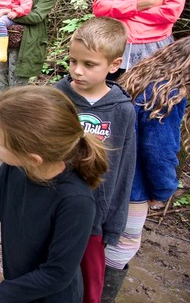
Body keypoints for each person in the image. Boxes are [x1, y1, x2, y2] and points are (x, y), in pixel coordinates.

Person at [0, 86, 108, 303]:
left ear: (33, 158)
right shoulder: (15, 166)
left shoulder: (76, 201)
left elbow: (57, 274)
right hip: (19, 283)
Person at [101, 37, 190, 302]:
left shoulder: (136, 76)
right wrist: (164, 189)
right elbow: (159, 149)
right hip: (134, 186)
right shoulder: (169, 93)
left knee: (100, 238)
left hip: (108, 175)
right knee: (122, 245)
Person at [56, 17, 136, 303]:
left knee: (89, 288)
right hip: (50, 209)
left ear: (113, 65)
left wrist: (114, 224)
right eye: (73, 61)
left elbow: (123, 169)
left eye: (89, 65)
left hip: (93, 220)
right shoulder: (55, 96)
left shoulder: (123, 111)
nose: (77, 71)